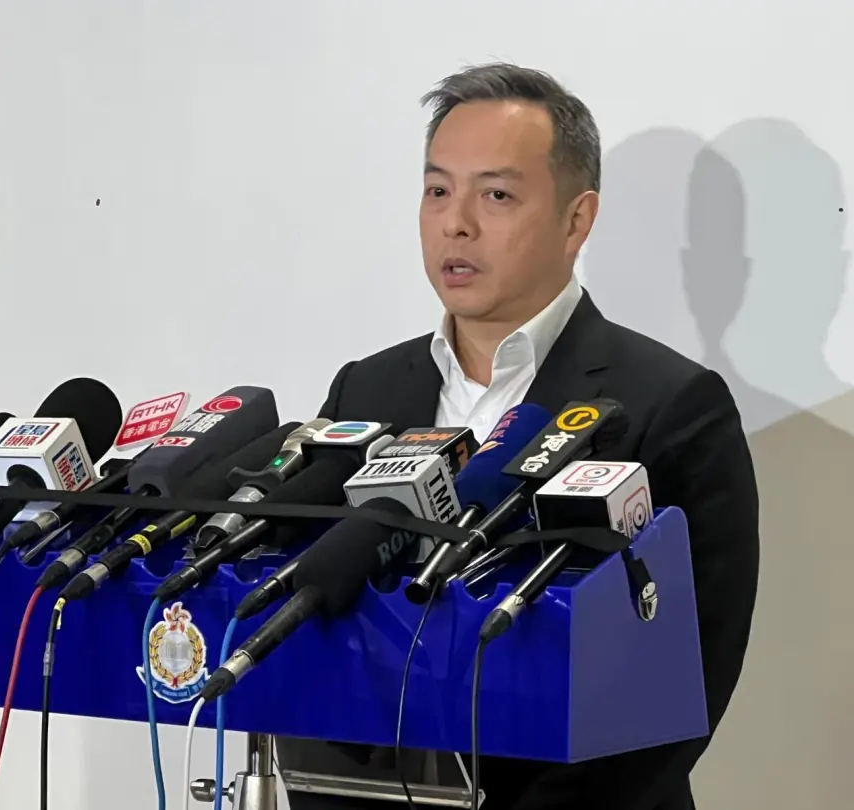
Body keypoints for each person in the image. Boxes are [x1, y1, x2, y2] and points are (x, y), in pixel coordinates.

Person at [279, 62, 760, 810]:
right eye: (438, 191)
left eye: (496, 195)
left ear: (577, 219)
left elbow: (683, 679)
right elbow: (317, 624)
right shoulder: (365, 393)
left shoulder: (669, 406)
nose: (456, 223)